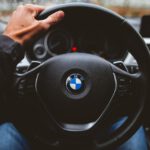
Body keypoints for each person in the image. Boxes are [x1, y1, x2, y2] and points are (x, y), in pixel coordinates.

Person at [0, 4, 149, 150]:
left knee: (9, 130)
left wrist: (10, 41)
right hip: (106, 126)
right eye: (57, 44)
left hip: (41, 127)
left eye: (93, 47)